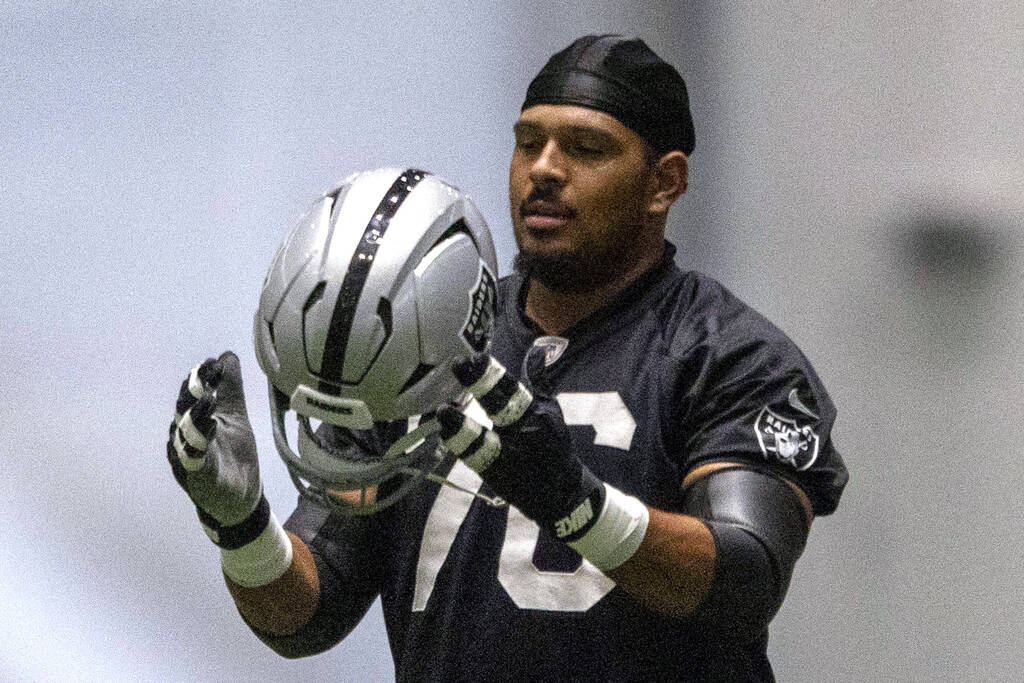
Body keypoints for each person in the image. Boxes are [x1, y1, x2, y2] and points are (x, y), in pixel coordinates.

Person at [167, 35, 848, 682]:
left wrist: (577, 504)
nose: (545, 169)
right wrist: (241, 526)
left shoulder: (727, 353)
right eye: (529, 143)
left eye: (586, 147)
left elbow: (742, 580)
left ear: (663, 183)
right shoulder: (421, 336)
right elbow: (309, 612)